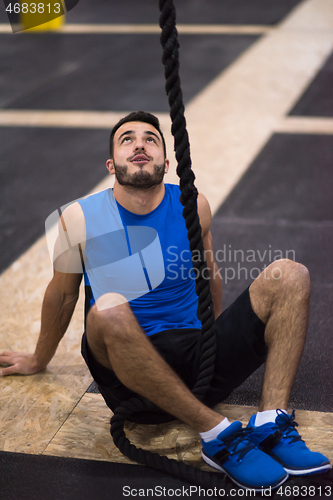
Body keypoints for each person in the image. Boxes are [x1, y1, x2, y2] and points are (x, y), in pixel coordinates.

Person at [0, 111, 330, 491]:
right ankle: (214, 433)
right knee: (107, 304)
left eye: (150, 139)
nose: (139, 144)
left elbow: (209, 275)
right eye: (127, 139)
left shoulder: (193, 205)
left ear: (166, 162)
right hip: (129, 379)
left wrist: (217, 341)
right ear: (111, 164)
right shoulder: (79, 218)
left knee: (291, 273)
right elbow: (61, 295)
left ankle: (271, 421)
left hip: (195, 358)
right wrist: (39, 358)